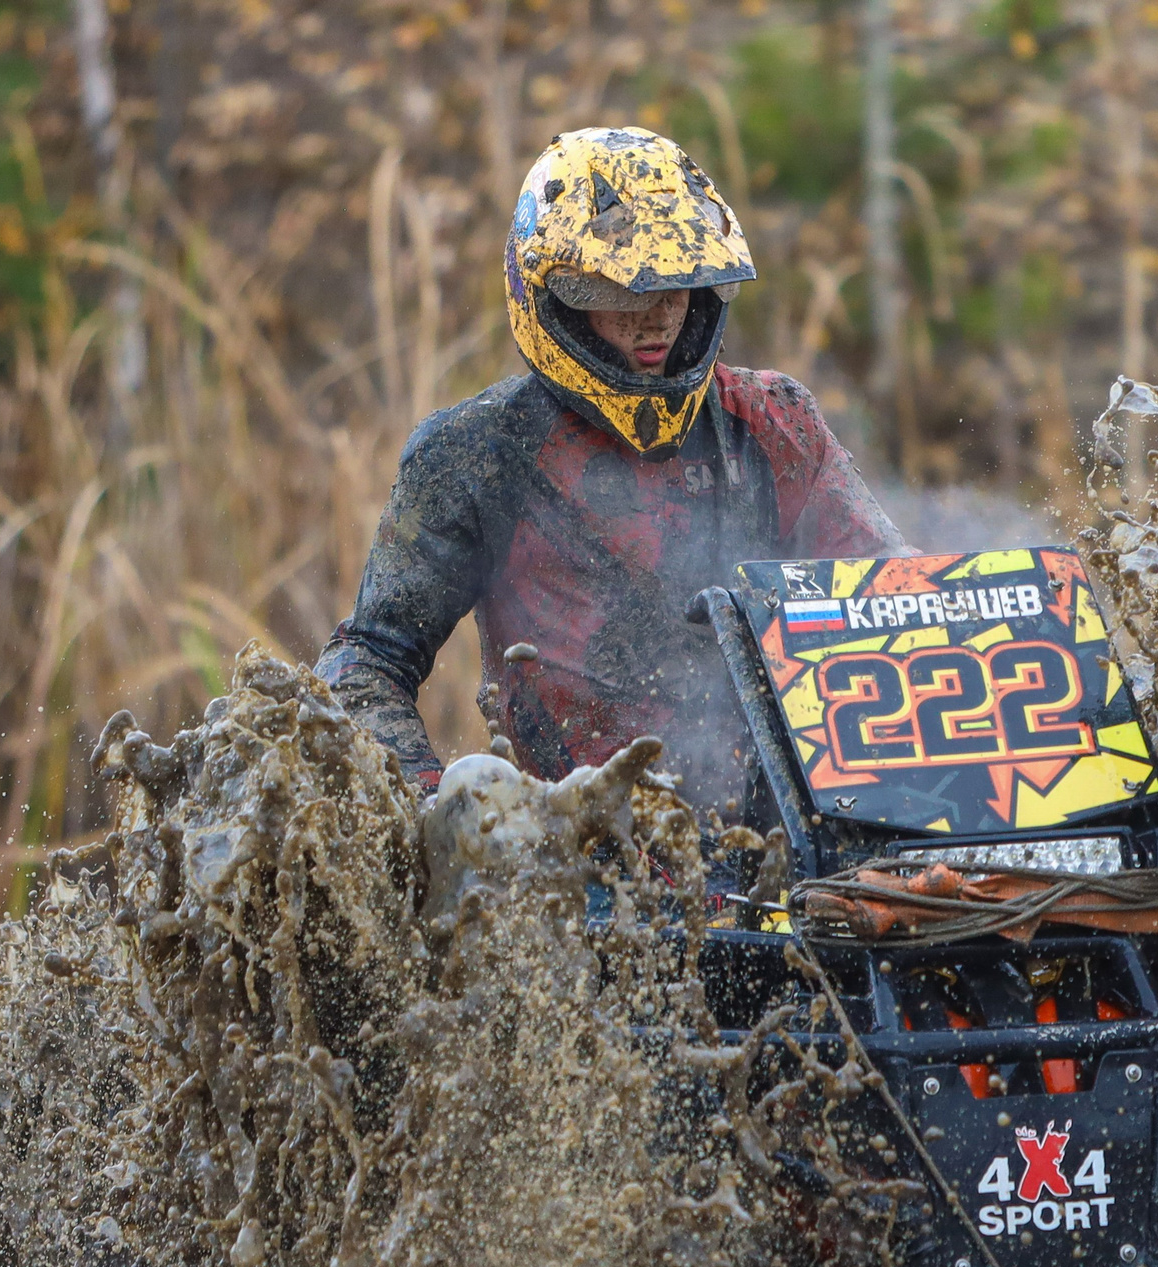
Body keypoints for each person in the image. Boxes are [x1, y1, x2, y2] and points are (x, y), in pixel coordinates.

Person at [315, 126, 907, 813]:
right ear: (555, 295)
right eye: (622, 292)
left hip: (790, 841)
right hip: (576, 857)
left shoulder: (774, 420)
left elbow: (895, 597)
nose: (654, 316)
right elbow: (365, 663)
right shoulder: (477, 452)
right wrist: (431, 805)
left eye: (677, 286)